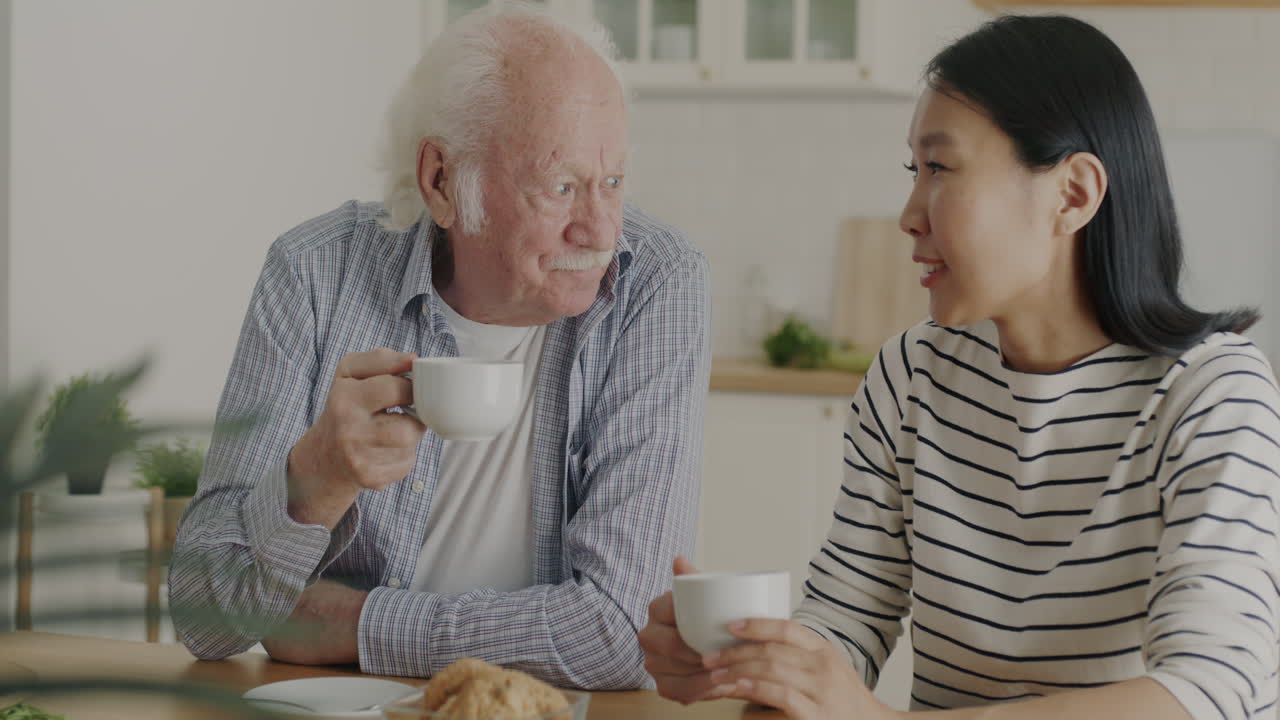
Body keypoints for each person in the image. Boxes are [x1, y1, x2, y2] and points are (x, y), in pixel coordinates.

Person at [639, 14, 1279, 720]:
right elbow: (845, 621)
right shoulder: (911, 377)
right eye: (915, 172)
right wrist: (757, 663)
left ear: (1072, 194)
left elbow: (1207, 690)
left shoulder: (1211, 395)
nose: (910, 214)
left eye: (940, 167)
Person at [169, 2, 710, 690]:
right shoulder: (313, 273)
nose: (601, 230)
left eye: (613, 183)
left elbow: (618, 631)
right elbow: (203, 619)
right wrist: (317, 480)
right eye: (562, 186)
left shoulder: (657, 280)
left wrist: (352, 626)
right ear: (442, 181)